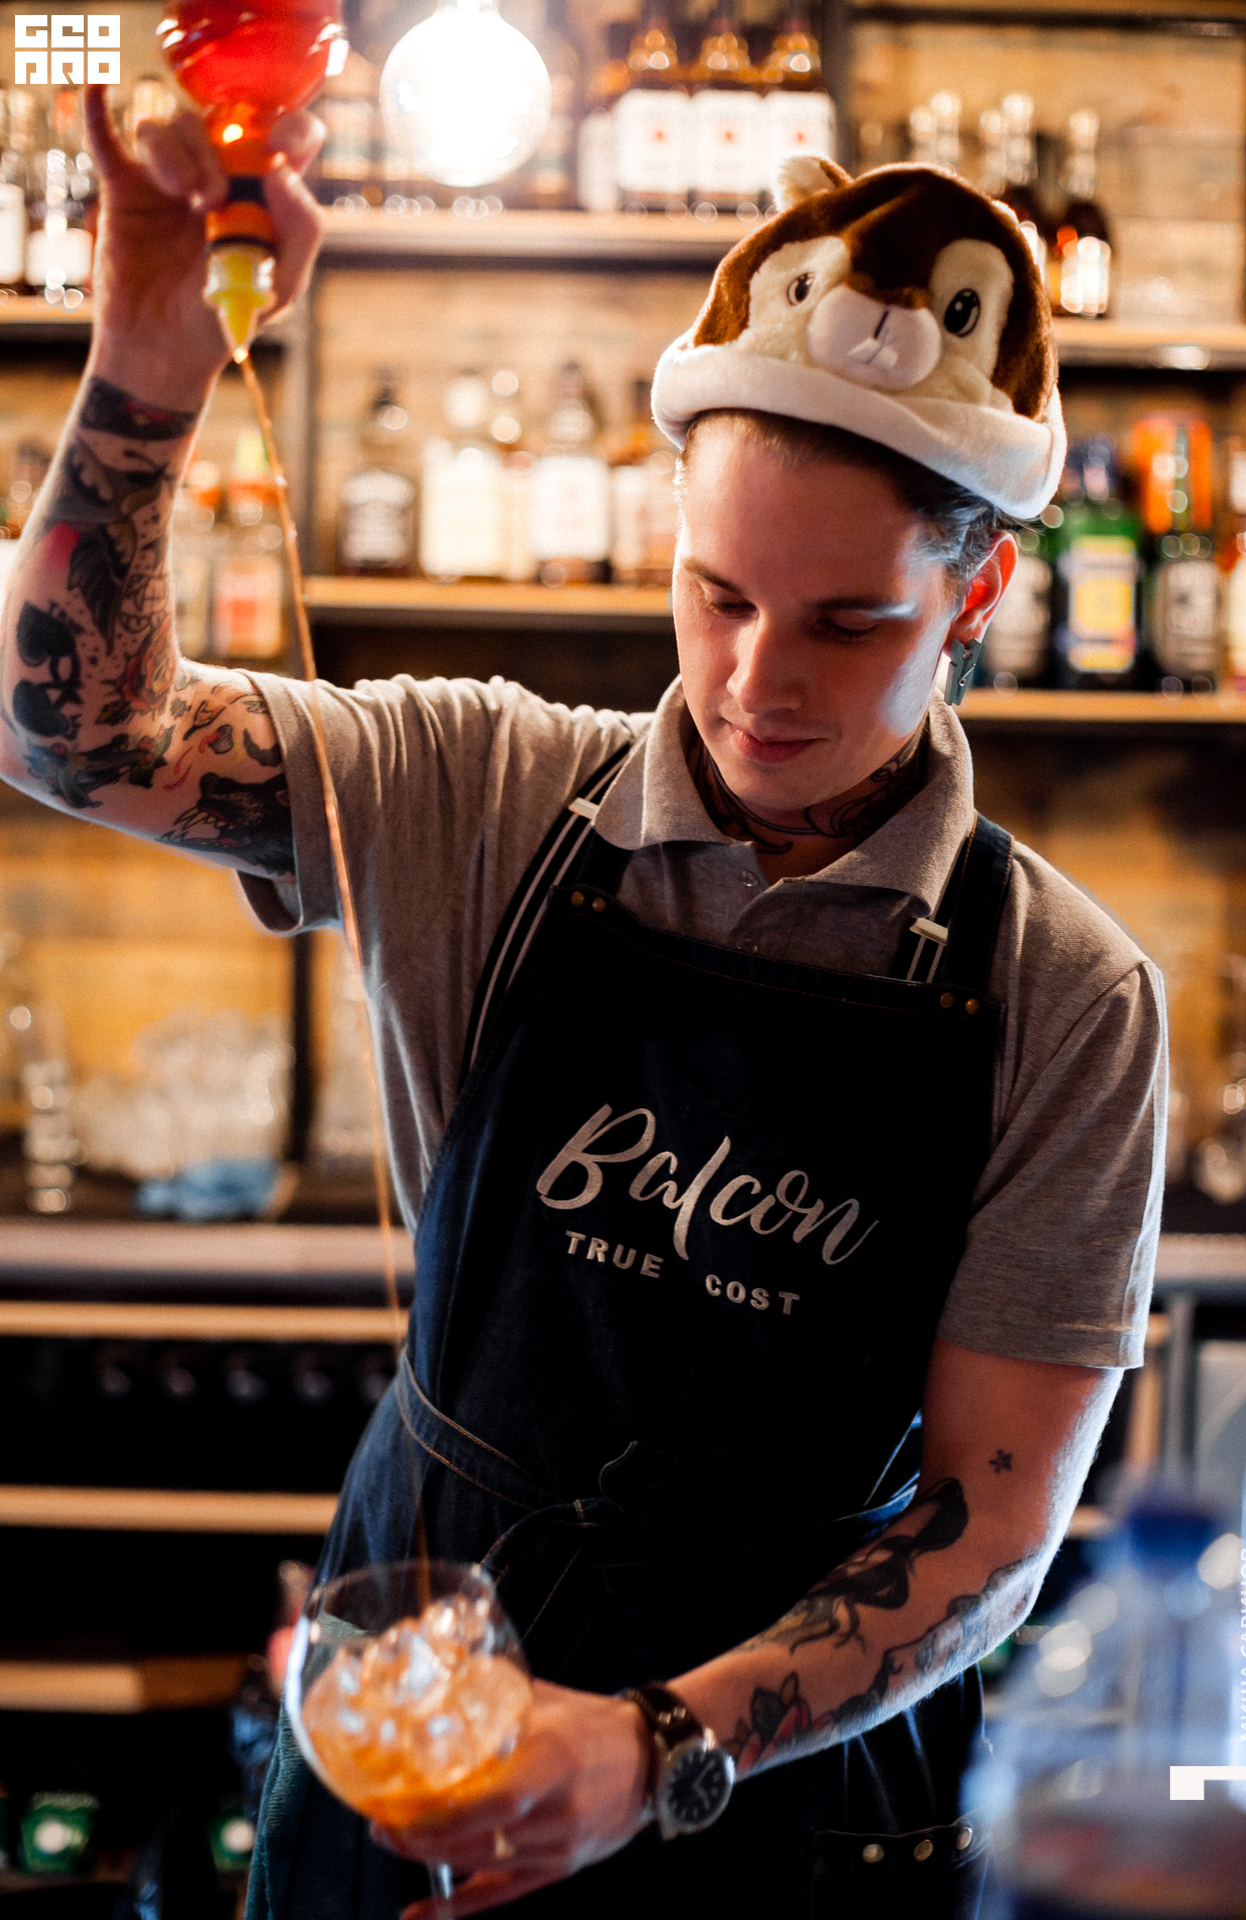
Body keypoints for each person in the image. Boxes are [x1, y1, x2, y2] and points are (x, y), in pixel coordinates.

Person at [0, 96, 1166, 1920]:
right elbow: (73, 734)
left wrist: (659, 1747)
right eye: (717, 595)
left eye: (847, 624)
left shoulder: (1068, 999)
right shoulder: (478, 790)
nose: (756, 683)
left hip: (780, 1803)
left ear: (980, 591)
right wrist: (148, 368)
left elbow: (985, 1532)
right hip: (424, 1698)